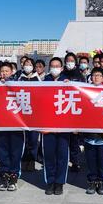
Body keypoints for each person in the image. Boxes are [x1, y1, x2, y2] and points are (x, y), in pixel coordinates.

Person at [42, 57, 71, 195]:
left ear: (62, 68)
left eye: (57, 66)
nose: (54, 68)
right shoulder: (44, 81)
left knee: (62, 155)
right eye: (52, 66)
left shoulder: (67, 81)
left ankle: (59, 183)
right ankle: (50, 181)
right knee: (49, 155)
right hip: (47, 125)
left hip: (63, 126)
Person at [0, 62, 24, 191]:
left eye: (6, 71)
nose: (4, 73)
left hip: (16, 124)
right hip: (2, 125)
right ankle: (4, 177)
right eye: (2, 71)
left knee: (15, 151)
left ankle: (14, 177)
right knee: (2, 152)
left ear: (12, 72)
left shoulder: (18, 84)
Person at [84, 67, 103, 195]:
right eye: (94, 75)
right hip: (89, 134)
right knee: (90, 160)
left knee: (102, 160)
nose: (96, 77)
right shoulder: (85, 91)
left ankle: (101, 181)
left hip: (102, 135)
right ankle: (92, 181)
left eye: (99, 75)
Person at [60, 53, 85, 172]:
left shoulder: (80, 75)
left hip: (75, 110)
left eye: (72, 60)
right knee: (64, 139)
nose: (70, 62)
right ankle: (64, 161)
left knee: (74, 140)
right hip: (63, 110)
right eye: (68, 60)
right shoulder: (61, 74)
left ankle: (75, 162)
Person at [18, 58, 39, 172]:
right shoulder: (20, 78)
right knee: (24, 138)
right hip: (23, 114)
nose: (28, 66)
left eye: (30, 64)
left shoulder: (38, 78)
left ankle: (32, 161)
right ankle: (24, 160)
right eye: (26, 64)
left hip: (34, 114)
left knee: (33, 139)